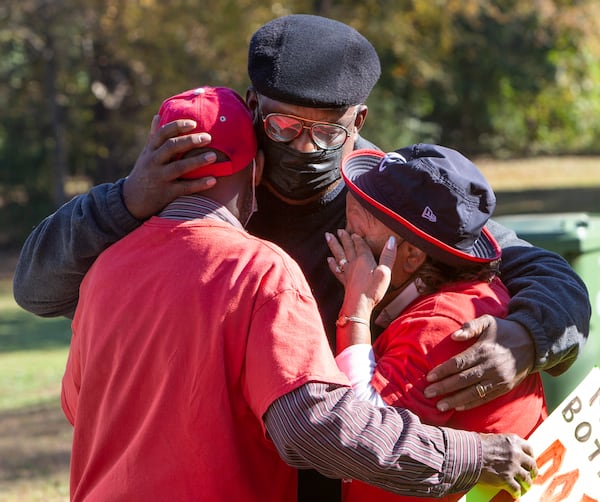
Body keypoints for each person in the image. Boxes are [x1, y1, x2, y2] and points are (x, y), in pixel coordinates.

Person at [12, 13, 589, 501]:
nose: (304, 147)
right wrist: (128, 198)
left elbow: (531, 264)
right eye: (284, 126)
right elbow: (38, 290)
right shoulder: (193, 185)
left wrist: (528, 338)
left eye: (326, 131)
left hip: (355, 466)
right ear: (252, 104)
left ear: (358, 122)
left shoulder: (390, 192)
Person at [325, 144, 549, 501]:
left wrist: (356, 305)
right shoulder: (473, 295)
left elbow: (360, 436)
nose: (344, 242)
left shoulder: (441, 323)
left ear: (412, 255)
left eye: (359, 235)